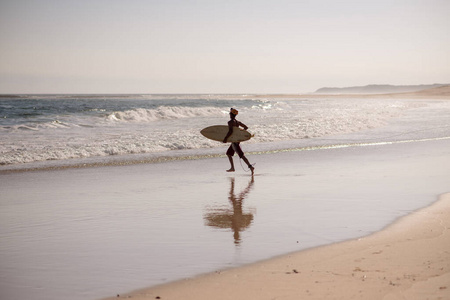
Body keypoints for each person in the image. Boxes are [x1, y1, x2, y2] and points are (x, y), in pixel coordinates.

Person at [223, 108, 255, 174]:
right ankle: (232, 168)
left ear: (231, 115)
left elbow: (230, 131)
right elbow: (246, 127)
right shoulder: (238, 122)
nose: (229, 115)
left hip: (234, 142)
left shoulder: (230, 122)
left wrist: (225, 138)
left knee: (241, 155)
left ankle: (250, 166)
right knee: (228, 154)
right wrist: (240, 134)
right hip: (236, 140)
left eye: (230, 114)